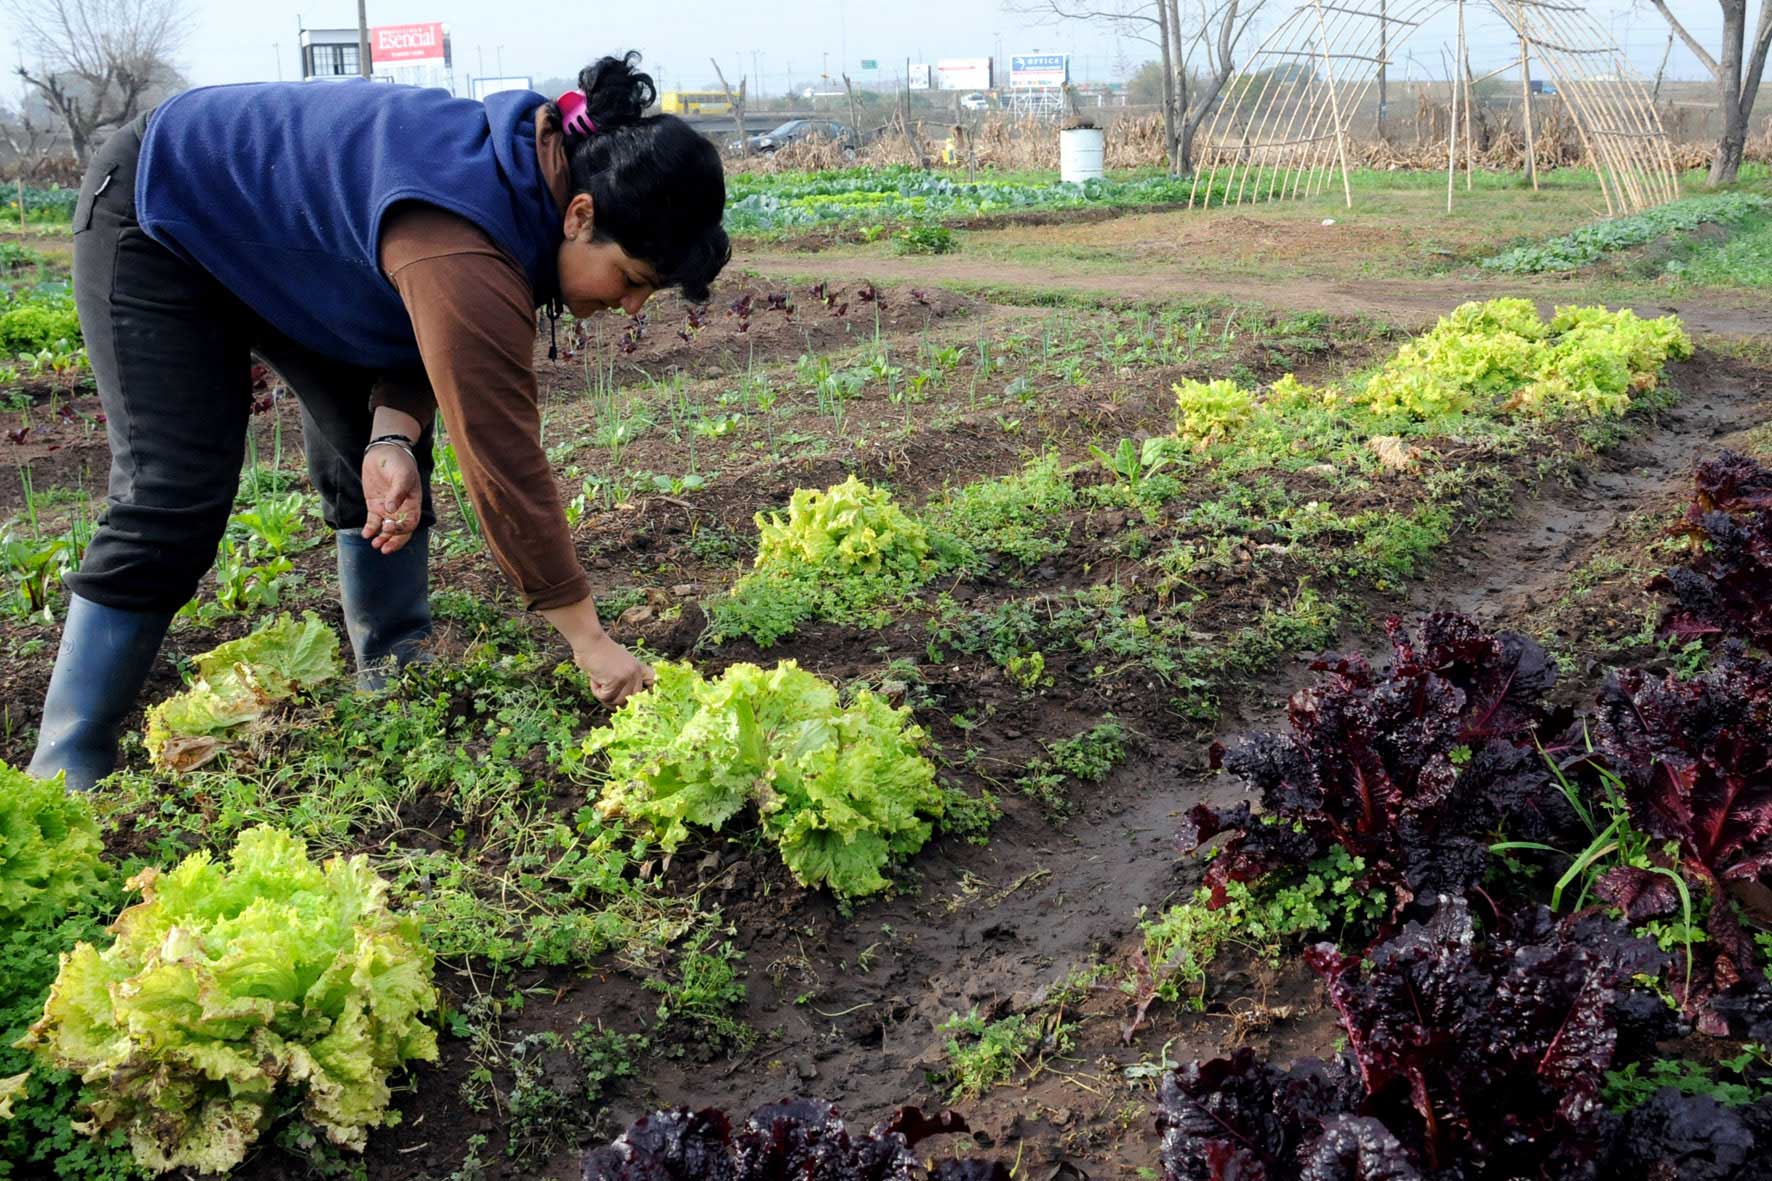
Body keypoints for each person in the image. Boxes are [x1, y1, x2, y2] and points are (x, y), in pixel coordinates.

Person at [29, 52, 729, 792]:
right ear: (581, 215)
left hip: (286, 245)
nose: (628, 308)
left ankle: (394, 680)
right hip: (160, 210)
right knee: (175, 491)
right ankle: (67, 763)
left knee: (375, 452)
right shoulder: (469, 237)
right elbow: (502, 458)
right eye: (632, 280)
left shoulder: (530, 178)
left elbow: (410, 319)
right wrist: (588, 639)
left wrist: (393, 432)